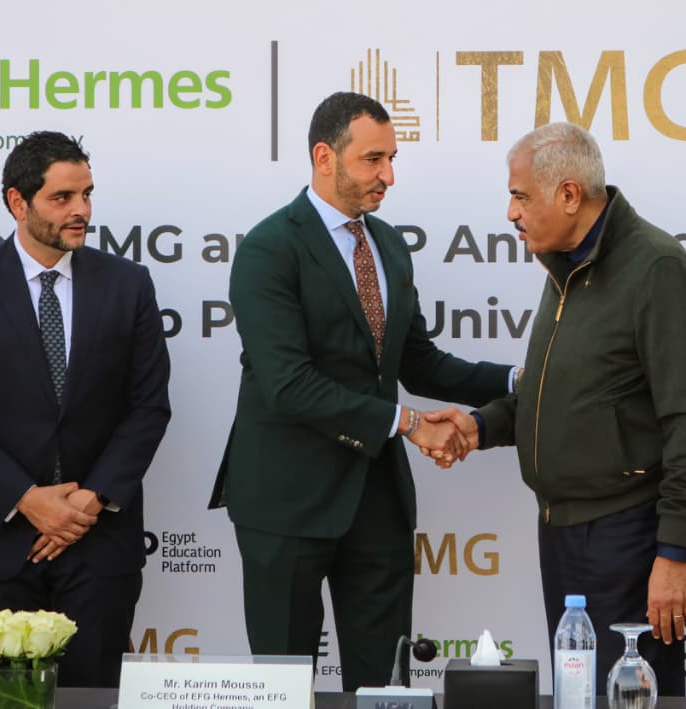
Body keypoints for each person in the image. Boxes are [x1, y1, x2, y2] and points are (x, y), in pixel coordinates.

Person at [210, 91, 514, 690]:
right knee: (284, 690)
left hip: (377, 500)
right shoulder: (269, 249)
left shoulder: (389, 244)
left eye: (391, 159)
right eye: (373, 160)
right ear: (325, 157)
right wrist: (408, 423)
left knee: (384, 688)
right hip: (286, 500)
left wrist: (518, 379)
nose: (388, 176)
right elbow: (288, 385)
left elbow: (418, 361)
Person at [426, 121, 686, 697]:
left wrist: (673, 552)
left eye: (520, 196)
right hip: (563, 535)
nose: (511, 213)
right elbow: (555, 395)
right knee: (579, 696)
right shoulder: (564, 267)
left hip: (627, 539)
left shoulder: (656, 269)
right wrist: (479, 425)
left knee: (627, 698)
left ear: (569, 195)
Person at [0, 131, 171, 687]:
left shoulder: (128, 284)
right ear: (18, 202)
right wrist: (28, 499)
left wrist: (88, 501)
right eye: (62, 197)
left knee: (92, 694)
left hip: (98, 542)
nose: (81, 210)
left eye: (86, 194)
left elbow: (149, 406)